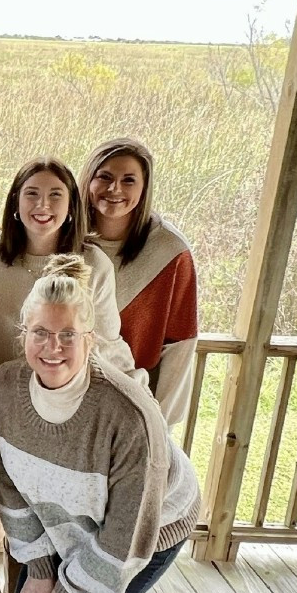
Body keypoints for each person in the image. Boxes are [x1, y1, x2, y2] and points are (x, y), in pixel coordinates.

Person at [0, 255, 199, 593]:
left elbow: (129, 528)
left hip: (151, 527)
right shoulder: (6, 388)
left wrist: (73, 588)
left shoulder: (126, 415)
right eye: (40, 333)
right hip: (68, 522)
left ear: (90, 340)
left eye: (67, 336)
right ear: (23, 335)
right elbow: (8, 483)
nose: (51, 348)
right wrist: (38, 568)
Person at [0, 156, 139, 593]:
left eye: (55, 196)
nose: (42, 206)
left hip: (59, 419)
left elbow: (103, 338)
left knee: (37, 522)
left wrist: (137, 396)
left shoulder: (91, 265)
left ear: (72, 206)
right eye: (31, 194)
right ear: (15, 203)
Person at [81, 137, 200, 430]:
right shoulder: (63, 236)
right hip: (60, 397)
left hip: (130, 405)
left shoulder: (169, 251)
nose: (115, 189)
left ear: (144, 188)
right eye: (105, 177)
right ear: (88, 181)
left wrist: (161, 425)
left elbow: (180, 345)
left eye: (129, 180)